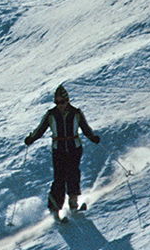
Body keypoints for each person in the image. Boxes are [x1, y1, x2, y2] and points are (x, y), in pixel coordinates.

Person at [24, 84, 101, 218]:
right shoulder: (51, 115)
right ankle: (55, 208)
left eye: (62, 102)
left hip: (74, 148)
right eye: (57, 102)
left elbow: (85, 127)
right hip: (58, 149)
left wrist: (92, 137)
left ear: (67, 100)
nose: (60, 105)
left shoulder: (76, 113)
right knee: (59, 179)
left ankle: (73, 204)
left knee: (73, 174)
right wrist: (31, 138)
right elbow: (40, 129)